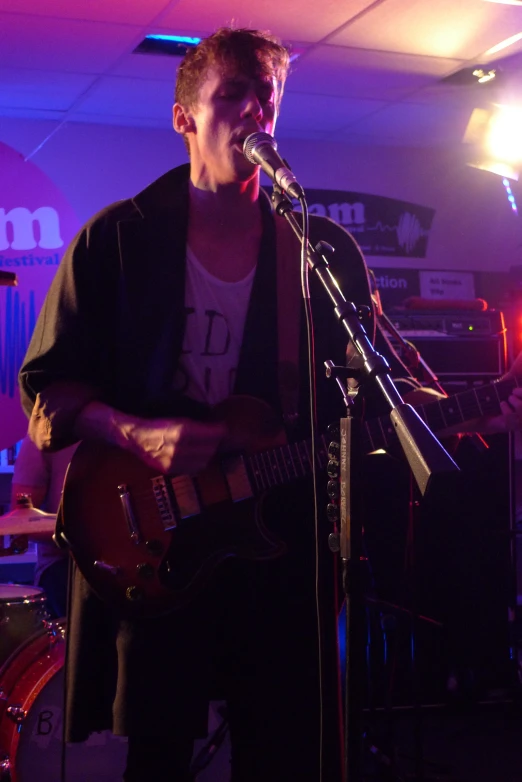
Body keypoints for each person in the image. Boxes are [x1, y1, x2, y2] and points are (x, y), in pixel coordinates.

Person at [18, 27, 379, 782]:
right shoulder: (116, 241)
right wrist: (133, 432)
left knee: (281, 748)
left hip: (272, 540)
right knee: (158, 756)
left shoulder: (318, 251)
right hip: (153, 539)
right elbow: (46, 390)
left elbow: (362, 398)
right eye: (232, 97)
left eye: (267, 99)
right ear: (184, 117)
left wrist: (462, 412)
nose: (254, 115)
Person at [10, 432, 77, 617]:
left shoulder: (132, 428)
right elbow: (21, 521)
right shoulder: (42, 436)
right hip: (65, 563)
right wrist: (86, 535)